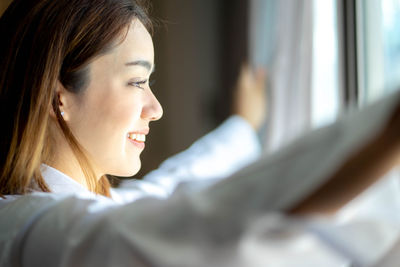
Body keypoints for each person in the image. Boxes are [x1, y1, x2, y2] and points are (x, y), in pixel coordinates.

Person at [1, 0, 400, 266]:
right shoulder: (28, 232)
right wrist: (383, 134)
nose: (155, 109)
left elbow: (165, 186)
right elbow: (188, 225)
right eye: (137, 82)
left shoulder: (43, 213)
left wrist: (241, 127)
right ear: (59, 100)